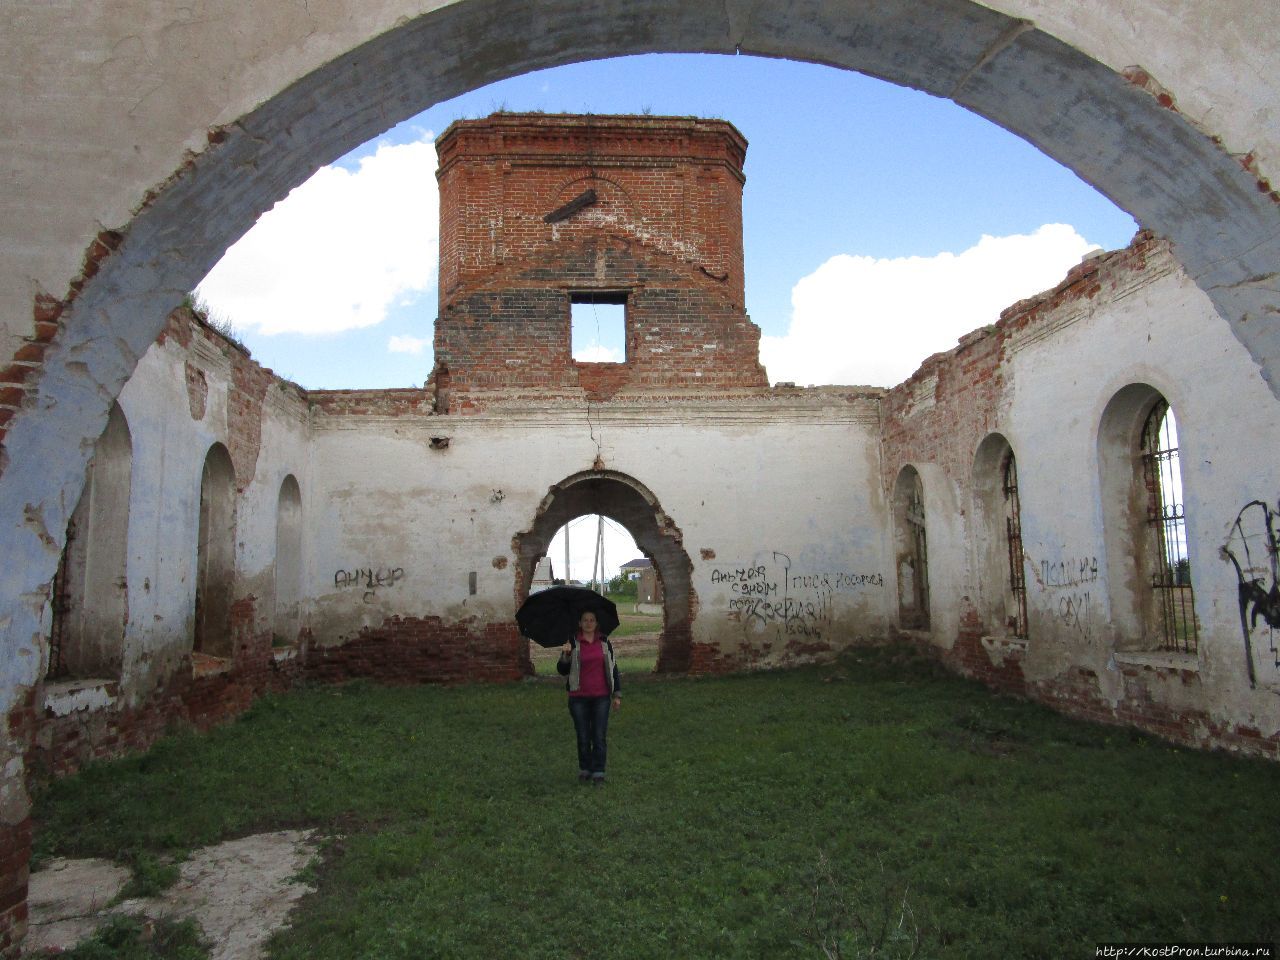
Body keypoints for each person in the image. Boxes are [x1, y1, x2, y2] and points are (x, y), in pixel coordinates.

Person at [556, 610, 622, 785]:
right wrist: (566, 655)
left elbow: (614, 669)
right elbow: (562, 671)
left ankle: (599, 771)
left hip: (601, 696)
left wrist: (616, 695)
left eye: (592, 620)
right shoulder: (573, 642)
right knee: (583, 736)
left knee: (599, 735)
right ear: (579, 623)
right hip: (578, 697)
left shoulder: (604, 642)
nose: (588, 623)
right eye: (585, 620)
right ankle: (585, 768)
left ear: (596, 623)